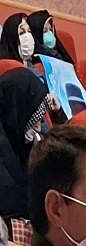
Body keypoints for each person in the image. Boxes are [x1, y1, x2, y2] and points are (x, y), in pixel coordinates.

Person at [0, 68, 66, 234]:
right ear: (17, 113)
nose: (38, 126)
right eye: (33, 118)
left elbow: (67, 158)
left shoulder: (25, 141)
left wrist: (58, 114)